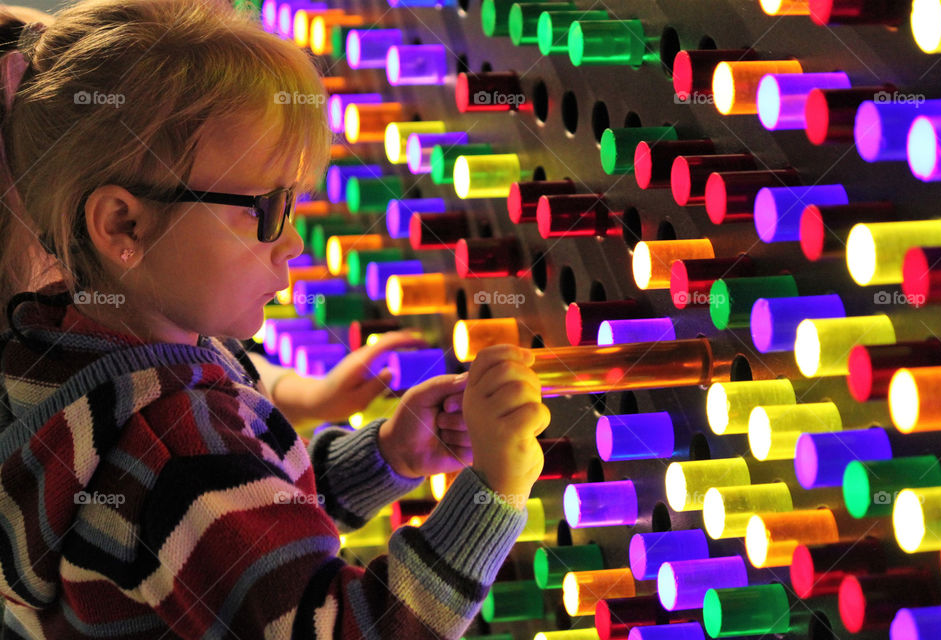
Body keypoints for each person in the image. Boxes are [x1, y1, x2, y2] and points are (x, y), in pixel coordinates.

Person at [0, 1, 551, 638]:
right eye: (265, 208)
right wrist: (493, 492)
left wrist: (386, 456)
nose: (292, 244)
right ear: (124, 224)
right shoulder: (175, 438)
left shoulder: (71, 358)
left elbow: (239, 547)